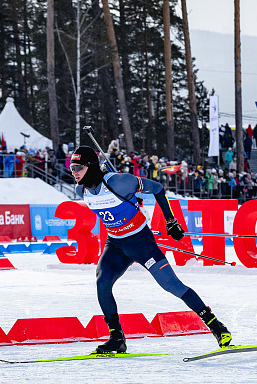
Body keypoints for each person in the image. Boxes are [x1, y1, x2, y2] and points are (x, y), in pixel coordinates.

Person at [68, 146, 232, 354]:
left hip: (140, 242)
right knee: (102, 282)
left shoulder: (119, 182)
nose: (73, 172)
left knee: (172, 285)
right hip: (116, 244)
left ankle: (218, 327)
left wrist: (171, 221)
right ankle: (117, 338)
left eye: (78, 167)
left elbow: (156, 188)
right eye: (71, 167)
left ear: (90, 167)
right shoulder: (80, 190)